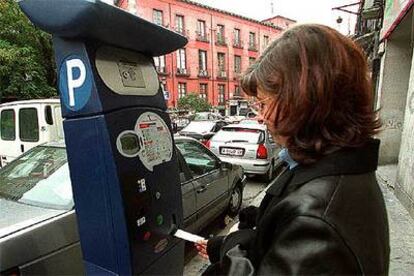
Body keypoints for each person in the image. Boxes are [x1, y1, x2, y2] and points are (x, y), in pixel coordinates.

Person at [195, 24, 390, 275]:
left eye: (263, 104)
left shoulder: (316, 219)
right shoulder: (329, 166)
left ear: (305, 101)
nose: (260, 117)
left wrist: (233, 248)